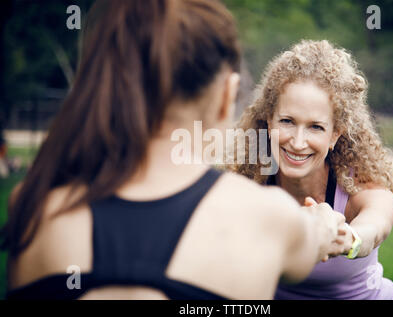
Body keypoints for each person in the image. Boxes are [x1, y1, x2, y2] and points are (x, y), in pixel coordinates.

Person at [1, 1, 345, 300]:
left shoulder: (34, 210)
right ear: (228, 94)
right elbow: (316, 238)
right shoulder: (268, 217)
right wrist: (324, 222)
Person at [231, 40, 393, 300]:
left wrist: (349, 238)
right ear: (268, 121)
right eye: (287, 121)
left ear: (335, 134)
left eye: (316, 127)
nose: (298, 142)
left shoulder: (361, 187)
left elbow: (377, 225)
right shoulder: (247, 187)